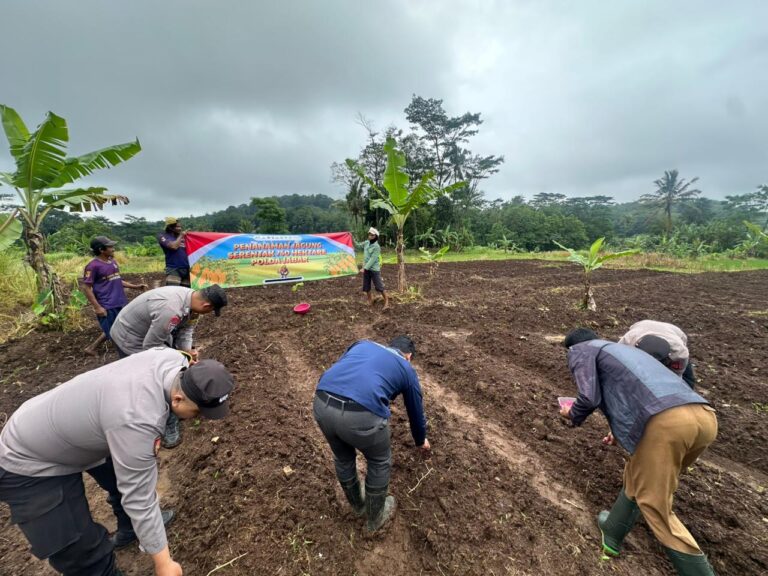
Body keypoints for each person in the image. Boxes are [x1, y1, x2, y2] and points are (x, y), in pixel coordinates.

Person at [0, 347, 235, 576]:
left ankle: (131, 530)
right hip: (29, 461)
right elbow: (139, 498)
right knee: (81, 552)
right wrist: (165, 565)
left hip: (76, 425)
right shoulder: (138, 421)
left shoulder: (173, 359)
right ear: (177, 399)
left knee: (119, 477)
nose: (200, 419)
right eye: (197, 413)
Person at [560, 328, 718, 576]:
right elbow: (629, 395)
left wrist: (572, 413)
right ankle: (612, 529)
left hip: (666, 423)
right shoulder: (620, 351)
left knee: (654, 503)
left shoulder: (581, 350)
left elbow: (589, 397)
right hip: (703, 417)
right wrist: (618, 430)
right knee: (639, 470)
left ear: (572, 348)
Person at [313, 336, 430, 532]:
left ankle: (358, 506)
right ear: (408, 356)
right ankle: (375, 518)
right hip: (360, 415)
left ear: (388, 346)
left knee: (343, 458)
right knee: (379, 460)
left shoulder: (362, 344)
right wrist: (420, 440)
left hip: (321, 402)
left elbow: (345, 368)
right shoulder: (406, 367)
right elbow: (415, 411)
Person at [110, 285, 227, 448]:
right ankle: (166, 424)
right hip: (131, 338)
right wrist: (180, 358)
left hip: (150, 335)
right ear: (206, 306)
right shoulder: (170, 309)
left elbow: (186, 331)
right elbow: (151, 348)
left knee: (174, 364)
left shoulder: (193, 304)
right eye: (211, 311)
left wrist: (187, 352)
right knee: (155, 380)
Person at [82, 236, 148, 357]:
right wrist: (97, 307)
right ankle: (126, 356)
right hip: (107, 305)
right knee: (114, 332)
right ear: (101, 250)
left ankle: (91, 348)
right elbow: (86, 287)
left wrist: (136, 287)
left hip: (120, 302)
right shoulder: (92, 266)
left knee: (120, 328)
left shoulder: (112, 262)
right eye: (110, 246)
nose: (113, 248)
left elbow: (117, 280)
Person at [619, 320, 696, 388]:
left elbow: (676, 378)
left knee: (687, 381)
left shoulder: (679, 354)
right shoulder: (628, 342)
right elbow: (618, 362)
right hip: (643, 326)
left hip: (673, 331)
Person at [357, 227, 389, 310]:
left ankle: (386, 302)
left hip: (374, 270)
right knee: (366, 287)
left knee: (379, 287)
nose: (370, 236)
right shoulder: (367, 243)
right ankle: (370, 302)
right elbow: (357, 245)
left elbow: (372, 259)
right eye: (369, 234)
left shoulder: (377, 247)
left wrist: (365, 268)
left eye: (372, 235)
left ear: (375, 236)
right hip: (366, 269)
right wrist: (350, 237)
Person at [157, 217, 190, 287]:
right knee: (173, 292)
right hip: (173, 269)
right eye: (177, 227)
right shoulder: (163, 236)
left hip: (187, 269)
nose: (180, 228)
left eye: (180, 226)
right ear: (170, 227)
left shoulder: (184, 237)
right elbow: (173, 246)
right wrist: (181, 236)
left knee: (186, 292)